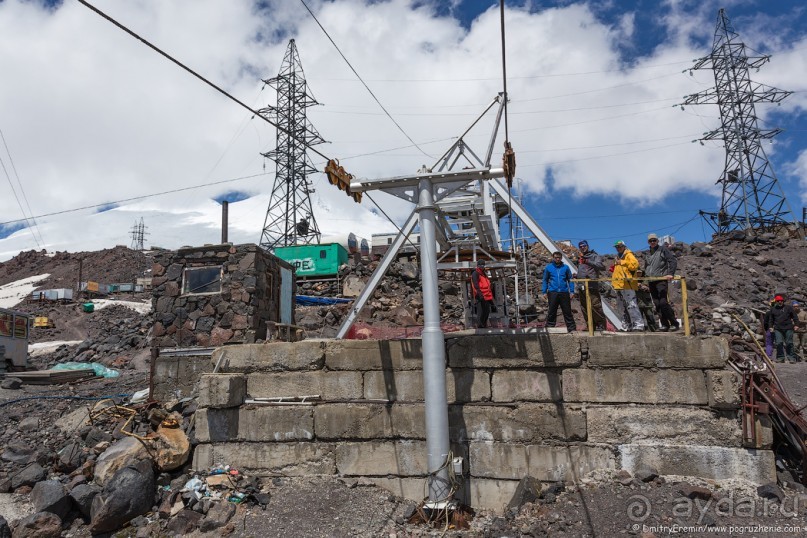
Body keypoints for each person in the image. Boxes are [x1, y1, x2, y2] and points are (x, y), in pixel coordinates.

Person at [643, 233, 680, 331]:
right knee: (657, 304)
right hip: (651, 281)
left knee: (663, 302)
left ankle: (674, 323)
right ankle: (665, 325)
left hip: (661, 279)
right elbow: (647, 267)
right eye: (651, 241)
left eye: (654, 240)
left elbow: (672, 260)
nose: (652, 242)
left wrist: (671, 273)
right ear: (648, 242)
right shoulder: (647, 253)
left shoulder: (663, 249)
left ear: (657, 241)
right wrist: (644, 281)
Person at [611, 240, 644, 331]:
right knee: (622, 307)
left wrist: (623, 262)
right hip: (619, 285)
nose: (618, 248)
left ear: (624, 246)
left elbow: (634, 265)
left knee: (632, 305)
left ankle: (638, 325)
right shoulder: (618, 257)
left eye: (620, 246)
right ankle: (626, 326)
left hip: (627, 284)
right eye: (617, 247)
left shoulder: (628, 255)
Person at [576, 240, 607, 331]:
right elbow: (583, 270)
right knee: (584, 307)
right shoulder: (580, 258)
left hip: (591, 286)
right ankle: (590, 325)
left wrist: (587, 261)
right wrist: (577, 275)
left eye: (584, 245)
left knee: (595, 306)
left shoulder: (594, 256)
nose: (582, 247)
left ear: (588, 246)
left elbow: (601, 266)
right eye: (580, 246)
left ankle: (601, 325)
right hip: (582, 286)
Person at [542, 251, 576, 331]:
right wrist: (544, 292)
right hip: (552, 292)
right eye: (556, 257)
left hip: (564, 292)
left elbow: (570, 280)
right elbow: (545, 280)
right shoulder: (548, 267)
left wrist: (572, 291)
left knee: (567, 311)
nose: (557, 259)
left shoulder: (566, 267)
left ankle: (572, 328)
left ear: (561, 258)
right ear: (553, 258)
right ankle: (550, 328)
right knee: (552, 311)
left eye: (559, 257)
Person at [765, 295, 799, 362]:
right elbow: (771, 319)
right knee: (779, 343)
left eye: (781, 301)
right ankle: (780, 357)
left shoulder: (788, 308)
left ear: (783, 301)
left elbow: (795, 317)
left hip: (788, 327)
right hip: (778, 328)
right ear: (776, 302)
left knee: (789, 342)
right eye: (778, 301)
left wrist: (796, 325)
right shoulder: (773, 309)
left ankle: (791, 357)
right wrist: (770, 327)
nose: (780, 302)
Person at [470, 260, 494, 328]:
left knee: (487, 311)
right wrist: (480, 295)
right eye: (481, 265)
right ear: (478, 265)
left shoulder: (483, 273)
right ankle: (480, 325)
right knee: (481, 311)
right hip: (480, 296)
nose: (482, 266)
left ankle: (484, 324)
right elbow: (476, 285)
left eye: (483, 265)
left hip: (487, 295)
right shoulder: (475, 273)